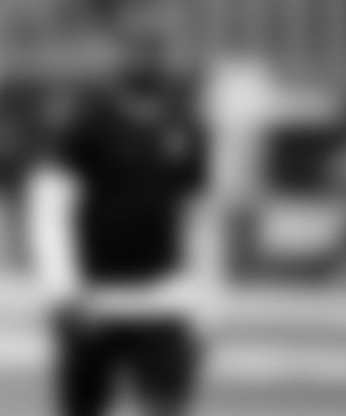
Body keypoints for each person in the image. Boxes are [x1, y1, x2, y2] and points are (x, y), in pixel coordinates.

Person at [23, 23, 228, 416]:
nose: (146, 61)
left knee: (167, 404)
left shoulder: (187, 126)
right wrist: (59, 287)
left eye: (155, 51)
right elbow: (49, 207)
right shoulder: (86, 123)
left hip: (162, 297)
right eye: (137, 51)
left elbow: (199, 216)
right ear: (121, 58)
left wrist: (209, 300)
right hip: (93, 297)